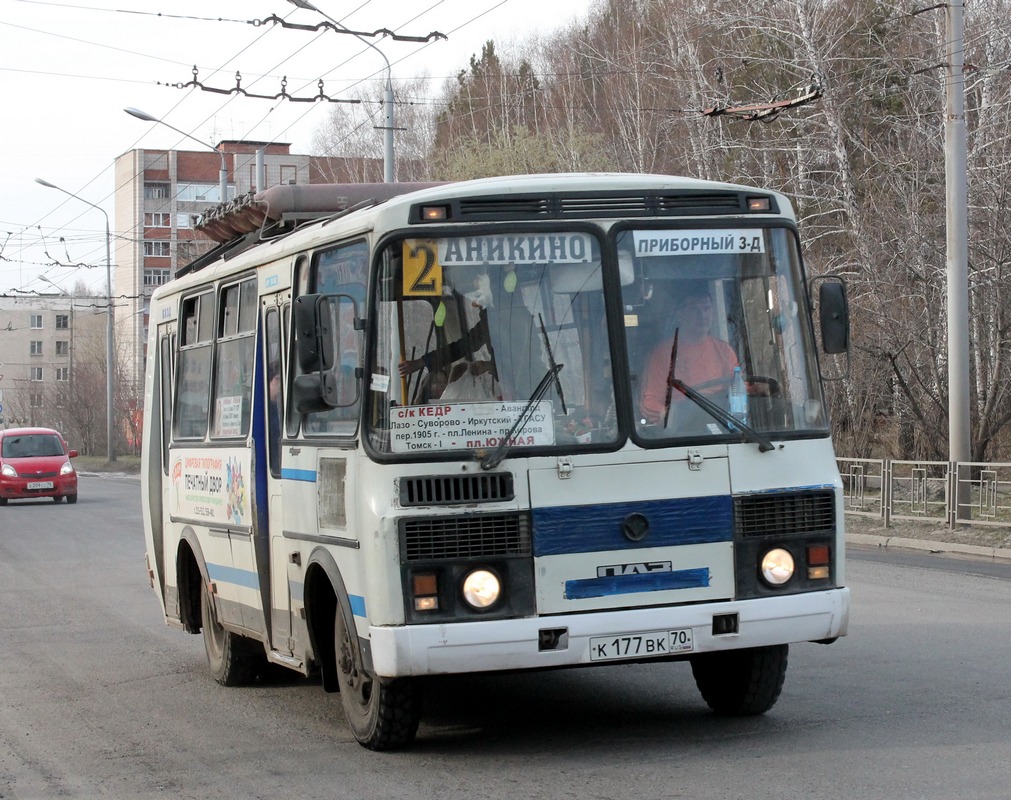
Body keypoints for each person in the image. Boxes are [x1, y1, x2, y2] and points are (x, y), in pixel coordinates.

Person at [639, 280, 740, 427]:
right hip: (683, 435)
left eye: (707, 308)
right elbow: (649, 402)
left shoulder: (724, 351)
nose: (702, 315)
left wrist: (758, 389)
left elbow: (739, 390)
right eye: (694, 309)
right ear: (680, 314)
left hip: (723, 427)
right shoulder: (662, 355)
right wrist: (671, 419)